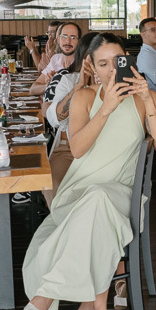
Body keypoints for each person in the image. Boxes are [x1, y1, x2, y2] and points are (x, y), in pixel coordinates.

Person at [21, 33, 156, 310]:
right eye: (101, 63)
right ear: (90, 65)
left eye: (116, 61)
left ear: (127, 62)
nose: (110, 70)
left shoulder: (143, 98)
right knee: (93, 200)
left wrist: (148, 100)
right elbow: (76, 148)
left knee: (100, 199)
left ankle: (52, 290)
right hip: (78, 193)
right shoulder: (85, 98)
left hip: (121, 195)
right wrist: (105, 109)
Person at [43, 32, 99, 206]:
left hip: (103, 148)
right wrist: (78, 88)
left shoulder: (119, 85)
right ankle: (64, 227)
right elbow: (55, 120)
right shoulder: (68, 80)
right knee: (52, 183)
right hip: (67, 149)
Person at [30, 22, 80, 96]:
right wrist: (50, 85)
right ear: (58, 39)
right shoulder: (56, 59)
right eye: (64, 36)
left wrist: (56, 83)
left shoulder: (83, 61)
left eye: (73, 37)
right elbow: (32, 89)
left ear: (79, 41)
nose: (68, 41)